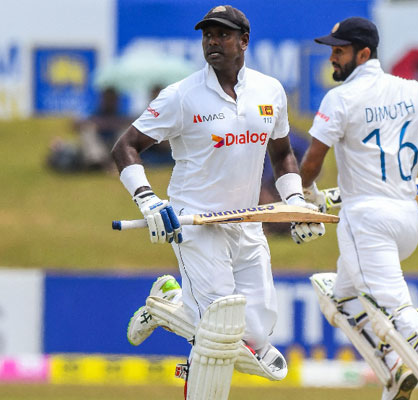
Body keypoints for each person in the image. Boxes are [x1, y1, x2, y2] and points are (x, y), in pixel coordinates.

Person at [110, 5, 324, 398]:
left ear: (244, 41)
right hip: (196, 225)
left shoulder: (269, 91)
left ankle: (166, 303)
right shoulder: (181, 96)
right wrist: (148, 201)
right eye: (208, 34)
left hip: (248, 224)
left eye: (223, 34)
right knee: (221, 332)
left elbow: (282, 155)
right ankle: (178, 310)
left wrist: (295, 201)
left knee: (256, 338)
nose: (213, 41)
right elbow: (125, 148)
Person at [300, 17, 418, 400]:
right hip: (406, 219)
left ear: (363, 53)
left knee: (397, 308)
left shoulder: (341, 99)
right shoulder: (412, 91)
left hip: (366, 221)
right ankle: (394, 369)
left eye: (340, 50)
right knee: (338, 295)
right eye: (332, 50)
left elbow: (312, 162)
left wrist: (303, 196)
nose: (332, 58)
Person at [47, 87, 131, 172]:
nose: (109, 102)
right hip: (93, 151)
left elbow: (128, 124)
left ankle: (108, 163)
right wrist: (92, 124)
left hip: (113, 149)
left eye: (112, 99)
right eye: (107, 99)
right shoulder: (95, 112)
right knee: (86, 131)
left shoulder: (122, 114)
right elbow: (75, 124)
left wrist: (104, 125)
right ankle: (97, 162)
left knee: (125, 131)